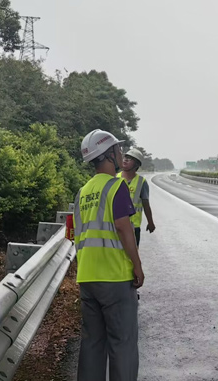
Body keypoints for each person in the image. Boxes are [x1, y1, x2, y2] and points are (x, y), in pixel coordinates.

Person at [74, 129, 144, 381]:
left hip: (87, 278)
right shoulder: (117, 187)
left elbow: (77, 235)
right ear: (108, 155)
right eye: (118, 150)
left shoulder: (82, 192)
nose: (121, 154)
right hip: (114, 278)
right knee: (122, 342)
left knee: (92, 344)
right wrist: (137, 265)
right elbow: (124, 228)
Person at [118, 148, 155, 246]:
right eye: (125, 157)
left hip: (133, 228)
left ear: (136, 165)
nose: (125, 160)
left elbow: (146, 204)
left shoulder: (141, 182)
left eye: (130, 159)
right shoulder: (115, 178)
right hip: (115, 225)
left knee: (130, 258)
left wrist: (150, 222)